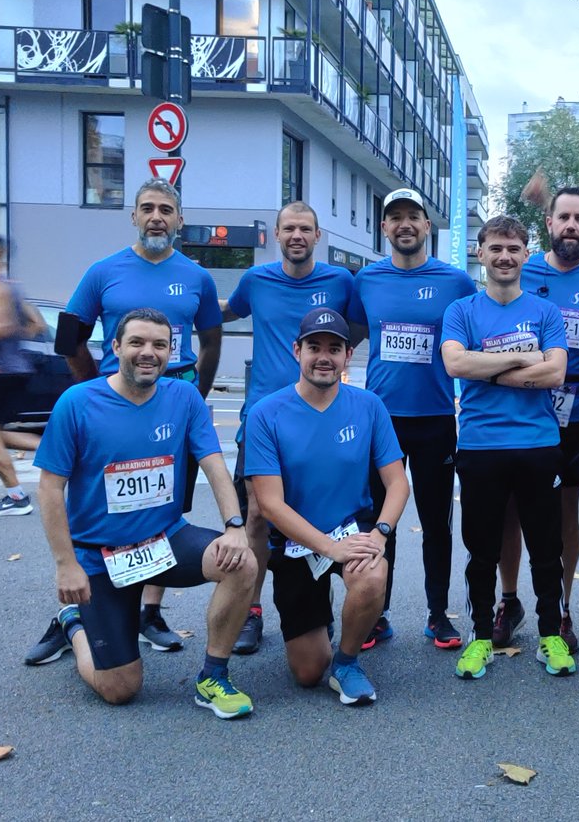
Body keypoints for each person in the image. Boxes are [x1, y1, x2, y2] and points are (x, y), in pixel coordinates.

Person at [29, 179, 224, 658]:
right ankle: (80, 607)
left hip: (173, 406)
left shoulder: (197, 276)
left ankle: (148, 612)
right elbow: (68, 337)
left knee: (167, 506)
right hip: (116, 402)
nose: (157, 216)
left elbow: (212, 341)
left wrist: (193, 396)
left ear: (180, 220)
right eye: (147, 208)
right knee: (108, 507)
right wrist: (91, 385)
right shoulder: (103, 271)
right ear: (134, 217)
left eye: (166, 209)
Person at [33, 308, 255, 718]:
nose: (147, 353)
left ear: (171, 352)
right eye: (137, 342)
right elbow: (50, 488)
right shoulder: (78, 403)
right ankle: (73, 624)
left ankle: (213, 677)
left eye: (159, 345)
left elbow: (213, 463)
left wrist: (234, 526)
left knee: (242, 563)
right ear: (115, 347)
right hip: (99, 557)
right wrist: (66, 565)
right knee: (119, 689)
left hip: (164, 541)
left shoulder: (184, 397)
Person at [246, 309, 410, 706]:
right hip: (297, 541)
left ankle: (348, 661)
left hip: (352, 527)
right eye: (314, 347)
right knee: (306, 673)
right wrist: (328, 547)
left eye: (334, 348)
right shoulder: (266, 413)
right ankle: (323, 625)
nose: (324, 357)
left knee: (371, 574)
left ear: (347, 355)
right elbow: (269, 504)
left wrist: (379, 534)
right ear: (296, 351)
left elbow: (397, 483)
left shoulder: (369, 406)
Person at [440, 215, 574, 681]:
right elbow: (456, 363)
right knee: (481, 551)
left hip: (538, 444)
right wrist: (521, 358)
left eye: (514, 249)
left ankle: (550, 635)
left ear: (525, 254)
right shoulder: (462, 311)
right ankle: (479, 638)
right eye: (496, 248)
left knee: (546, 549)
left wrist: (488, 367)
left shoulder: (545, 312)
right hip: (480, 445)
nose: (504, 257)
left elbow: (555, 373)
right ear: (481, 253)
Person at [221, 201, 355, 655]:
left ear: (319, 236)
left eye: (305, 228)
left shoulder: (340, 281)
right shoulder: (255, 280)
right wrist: (171, 306)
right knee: (258, 513)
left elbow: (352, 329)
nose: (297, 235)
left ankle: (322, 604)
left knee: (323, 508)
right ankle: (251, 610)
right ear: (276, 235)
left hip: (322, 415)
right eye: (289, 228)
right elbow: (220, 312)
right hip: (262, 416)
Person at [492, 186, 579, 653]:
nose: (571, 225)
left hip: (575, 413)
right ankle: (509, 600)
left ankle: (563, 608)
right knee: (509, 510)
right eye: (563, 216)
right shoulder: (521, 270)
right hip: (518, 407)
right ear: (548, 223)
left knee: (565, 514)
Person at [347, 188, 475, 651]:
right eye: (395, 217)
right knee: (381, 521)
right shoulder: (366, 281)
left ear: (427, 226)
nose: (404, 224)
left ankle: (438, 613)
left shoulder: (456, 282)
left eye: (413, 217)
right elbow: (350, 335)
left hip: (436, 418)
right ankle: (376, 614)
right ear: (384, 228)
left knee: (437, 523)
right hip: (380, 420)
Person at [0, 232, 44, 517]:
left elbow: (0, 327)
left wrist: (6, 346)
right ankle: (59, 453)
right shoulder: (11, 287)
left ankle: (17, 497)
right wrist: (14, 345)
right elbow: (36, 323)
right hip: (13, 368)